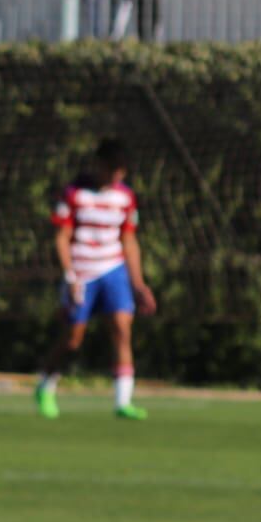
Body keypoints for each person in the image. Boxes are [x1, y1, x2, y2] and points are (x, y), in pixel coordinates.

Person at [33, 139, 158, 421]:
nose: (116, 177)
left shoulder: (125, 198)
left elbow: (129, 240)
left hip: (114, 270)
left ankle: (122, 402)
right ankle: (45, 385)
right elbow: (62, 238)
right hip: (82, 272)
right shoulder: (74, 194)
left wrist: (138, 283)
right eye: (112, 170)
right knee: (73, 339)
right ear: (99, 166)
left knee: (122, 329)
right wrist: (69, 276)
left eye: (121, 172)